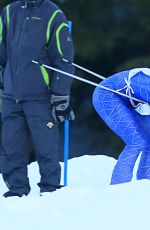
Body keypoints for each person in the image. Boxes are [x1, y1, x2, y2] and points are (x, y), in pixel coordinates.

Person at [0, 0, 74, 197]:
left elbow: (63, 59)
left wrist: (60, 96)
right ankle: (17, 191)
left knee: (46, 147)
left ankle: (50, 191)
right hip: (11, 96)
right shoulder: (8, 12)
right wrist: (2, 85)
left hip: (41, 96)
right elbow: (1, 54)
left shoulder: (53, 13)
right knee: (11, 148)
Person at [93, 68, 150, 185]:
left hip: (130, 101)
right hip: (107, 96)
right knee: (136, 140)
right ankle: (118, 186)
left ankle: (145, 184)